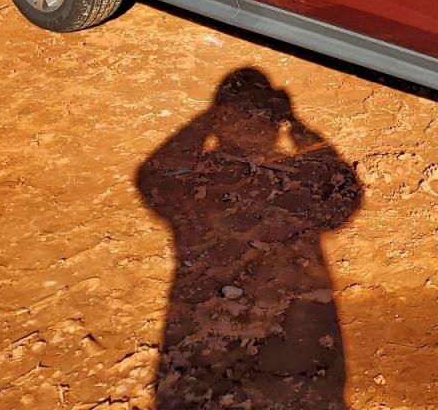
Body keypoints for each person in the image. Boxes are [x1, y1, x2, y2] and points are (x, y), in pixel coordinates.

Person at [137, 68, 361, 408]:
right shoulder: (293, 175)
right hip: (289, 341)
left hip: (227, 340)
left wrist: (209, 118)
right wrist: (295, 125)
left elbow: (152, 175)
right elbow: (346, 190)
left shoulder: (203, 177)